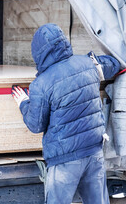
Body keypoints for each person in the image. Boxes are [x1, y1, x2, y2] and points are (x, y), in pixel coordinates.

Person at [12, 23, 120, 204]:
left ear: (38, 53)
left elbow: (35, 124)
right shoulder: (88, 64)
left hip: (64, 160)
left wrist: (23, 102)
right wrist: (109, 62)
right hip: (94, 151)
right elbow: (114, 64)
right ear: (64, 42)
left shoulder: (41, 84)